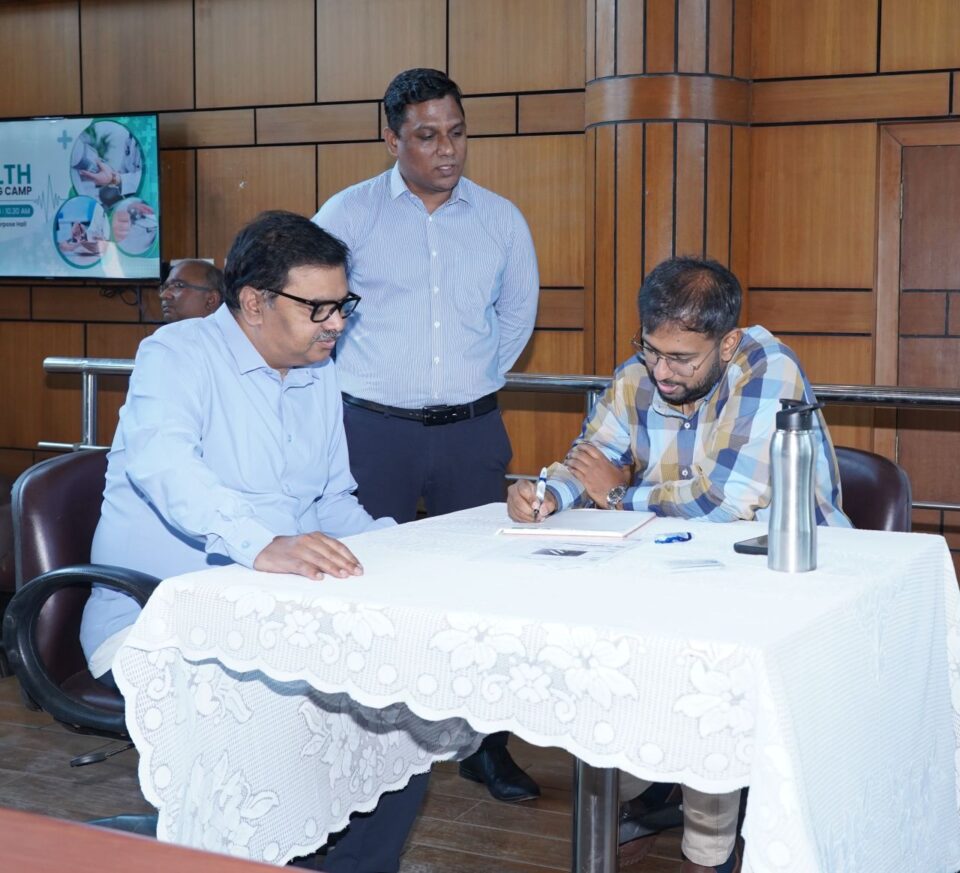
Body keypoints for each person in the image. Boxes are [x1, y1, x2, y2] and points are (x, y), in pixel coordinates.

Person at [79, 210, 426, 873]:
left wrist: (398, 551)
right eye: (319, 307)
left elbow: (331, 501)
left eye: (343, 304)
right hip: (158, 617)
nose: (337, 323)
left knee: (400, 715)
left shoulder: (318, 368)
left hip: (275, 610)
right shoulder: (176, 356)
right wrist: (261, 542)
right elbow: (163, 467)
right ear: (254, 302)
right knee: (281, 734)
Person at [507, 255, 851, 873]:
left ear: (729, 341)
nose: (661, 373)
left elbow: (723, 503)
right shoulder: (644, 371)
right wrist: (546, 494)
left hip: (788, 581)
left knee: (708, 670)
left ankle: (709, 849)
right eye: (651, 351)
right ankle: (649, 795)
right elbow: (591, 456)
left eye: (682, 360)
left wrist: (617, 494)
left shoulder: (767, 367)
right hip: (678, 571)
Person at [313, 68, 541, 803]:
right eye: (427, 136)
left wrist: (457, 384)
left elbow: (514, 324)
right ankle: (358, 740)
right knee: (363, 581)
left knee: (482, 592)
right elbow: (322, 321)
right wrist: (394, 391)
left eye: (457, 133)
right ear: (391, 137)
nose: (448, 150)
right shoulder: (347, 217)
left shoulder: (502, 220)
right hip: (372, 431)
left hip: (471, 432)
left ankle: (484, 745)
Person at [158, 258, 224, 322]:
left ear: (211, 300)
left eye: (179, 285)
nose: (163, 295)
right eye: (165, 287)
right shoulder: (164, 333)